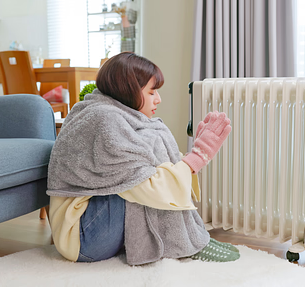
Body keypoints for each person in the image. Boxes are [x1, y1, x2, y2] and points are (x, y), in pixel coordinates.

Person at [47, 52, 239, 265]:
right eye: (151, 92)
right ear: (128, 90)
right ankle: (183, 244)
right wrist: (198, 156)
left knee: (147, 158)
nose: (158, 99)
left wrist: (190, 159)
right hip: (82, 239)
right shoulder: (104, 120)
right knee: (142, 177)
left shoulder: (113, 113)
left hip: (94, 226)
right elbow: (148, 186)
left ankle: (189, 237)